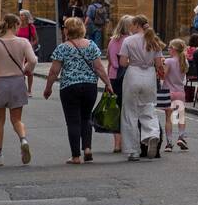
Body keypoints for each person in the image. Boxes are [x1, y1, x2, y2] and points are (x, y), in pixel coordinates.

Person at [44, 17, 112, 165]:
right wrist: (108, 83)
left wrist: (48, 88)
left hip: (69, 87)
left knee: (73, 121)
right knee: (86, 118)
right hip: (89, 86)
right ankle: (87, 148)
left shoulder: (62, 48)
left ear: (67, 30)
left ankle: (76, 156)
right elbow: (99, 68)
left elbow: (53, 72)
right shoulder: (91, 45)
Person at [0, 14, 37, 166]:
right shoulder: (23, 42)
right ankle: (23, 139)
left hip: (0, 82)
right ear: (16, 24)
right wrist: (26, 69)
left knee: (0, 121)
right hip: (17, 81)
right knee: (16, 119)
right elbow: (33, 60)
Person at [119, 15, 166, 161]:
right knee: (148, 108)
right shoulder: (154, 41)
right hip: (149, 76)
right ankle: (152, 134)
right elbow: (159, 64)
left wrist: (132, 62)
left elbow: (122, 62)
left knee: (130, 113)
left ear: (135, 24)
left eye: (132, 25)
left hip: (133, 74)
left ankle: (133, 151)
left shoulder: (128, 40)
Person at [107, 16, 134, 154]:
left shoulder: (112, 41)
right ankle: (129, 142)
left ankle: (117, 144)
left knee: (116, 109)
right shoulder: (130, 41)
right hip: (127, 77)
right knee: (128, 109)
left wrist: (107, 81)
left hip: (113, 77)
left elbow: (110, 62)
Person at [162, 38, 190, 152]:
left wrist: (161, 65)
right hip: (180, 92)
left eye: (169, 47)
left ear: (173, 49)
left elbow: (163, 75)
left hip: (168, 92)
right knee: (181, 117)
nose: (168, 49)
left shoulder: (169, 61)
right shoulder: (185, 61)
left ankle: (169, 143)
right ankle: (181, 137)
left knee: (168, 118)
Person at [17, 10, 39, 97]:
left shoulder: (31, 27)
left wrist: (30, 45)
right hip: (18, 51)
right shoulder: (17, 26)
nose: (20, 17)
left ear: (26, 16)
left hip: (28, 51)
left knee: (29, 72)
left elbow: (36, 39)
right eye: (20, 15)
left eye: (22, 15)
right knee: (19, 71)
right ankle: (23, 89)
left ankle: (29, 90)